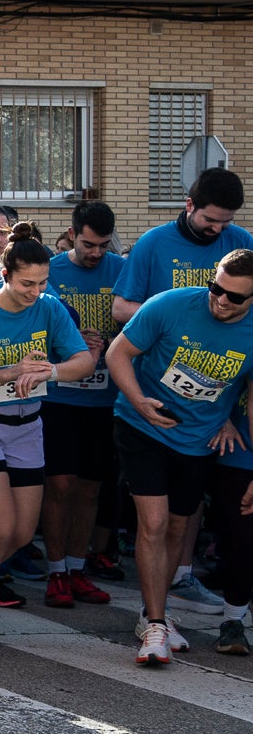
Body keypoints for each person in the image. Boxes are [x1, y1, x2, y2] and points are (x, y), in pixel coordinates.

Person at [0, 227, 95, 648]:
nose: (36, 292)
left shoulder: (50, 308)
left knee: (22, 534)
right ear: (4, 274)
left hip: (27, 426)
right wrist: (11, 372)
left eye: (43, 283)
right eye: (27, 283)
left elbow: (84, 360)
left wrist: (51, 371)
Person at [105, 249, 253, 665]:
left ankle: (154, 610)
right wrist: (139, 401)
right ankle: (155, 625)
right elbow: (118, 353)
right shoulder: (170, 304)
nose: (220, 301)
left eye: (235, 297)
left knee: (177, 528)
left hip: (198, 440)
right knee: (153, 523)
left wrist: (230, 422)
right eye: (216, 289)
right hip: (143, 427)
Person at [42, 201, 124, 607]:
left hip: (103, 399)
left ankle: (77, 568)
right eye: (89, 244)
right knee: (59, 485)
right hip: (59, 396)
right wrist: (72, 344)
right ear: (72, 235)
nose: (96, 253)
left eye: (104, 245)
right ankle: (55, 571)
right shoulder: (51, 271)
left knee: (90, 488)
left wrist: (111, 343)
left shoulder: (121, 269)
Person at [114, 166, 253, 323]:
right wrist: (175, 319)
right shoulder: (152, 243)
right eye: (209, 220)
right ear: (190, 205)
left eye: (226, 221)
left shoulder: (241, 241)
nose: (217, 229)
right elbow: (121, 309)